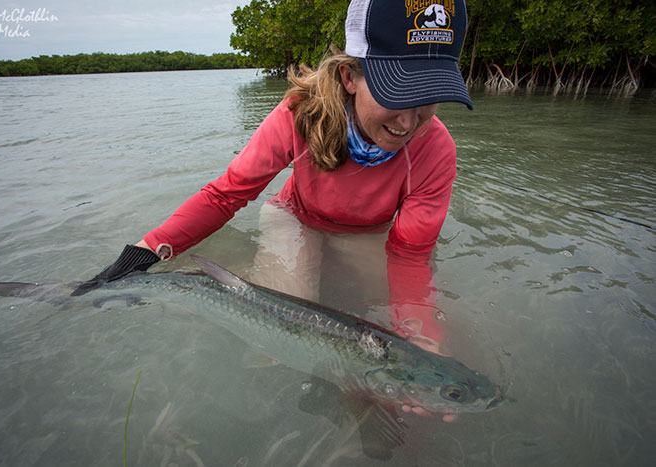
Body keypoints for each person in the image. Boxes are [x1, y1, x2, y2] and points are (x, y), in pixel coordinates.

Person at [76, 0, 472, 421]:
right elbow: (225, 195)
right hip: (295, 217)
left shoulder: (435, 149)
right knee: (288, 320)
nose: (409, 123)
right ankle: (230, 272)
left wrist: (421, 337)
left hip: (367, 233)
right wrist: (147, 250)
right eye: (399, 93)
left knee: (385, 327)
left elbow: (410, 253)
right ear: (350, 76)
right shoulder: (299, 114)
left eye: (428, 98)